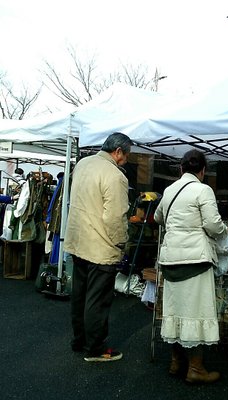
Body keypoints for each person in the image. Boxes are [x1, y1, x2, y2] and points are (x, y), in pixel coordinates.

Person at [154, 149, 228, 384]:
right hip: (195, 258)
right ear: (203, 171)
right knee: (196, 311)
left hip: (171, 257)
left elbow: (158, 217)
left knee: (176, 310)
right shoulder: (203, 189)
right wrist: (225, 231)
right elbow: (213, 225)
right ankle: (195, 368)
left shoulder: (169, 190)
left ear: (181, 169)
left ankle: (177, 362)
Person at [64, 132, 131, 362]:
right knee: (97, 300)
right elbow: (115, 217)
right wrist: (122, 243)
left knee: (80, 296)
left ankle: (79, 339)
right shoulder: (115, 176)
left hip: (78, 240)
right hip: (101, 247)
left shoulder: (82, 164)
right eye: (126, 156)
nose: (126, 161)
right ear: (118, 152)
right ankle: (95, 348)